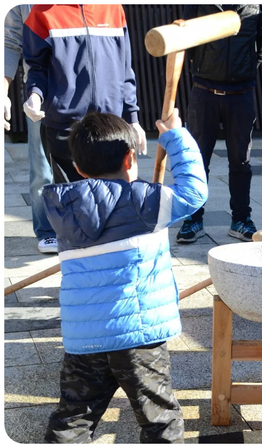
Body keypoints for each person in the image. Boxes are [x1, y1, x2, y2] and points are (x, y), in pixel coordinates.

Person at [41, 109, 207, 443]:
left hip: (84, 340)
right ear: (130, 158)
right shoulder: (143, 202)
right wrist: (175, 136)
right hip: (138, 339)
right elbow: (194, 191)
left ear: (78, 167)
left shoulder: (64, 210)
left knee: (73, 419)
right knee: (160, 421)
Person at [176, 4, 262, 244]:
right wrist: (204, 67)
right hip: (204, 91)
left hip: (241, 94)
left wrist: (242, 71)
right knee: (197, 159)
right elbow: (188, 37)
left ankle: (241, 220)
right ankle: (193, 218)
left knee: (241, 161)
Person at [22, 4, 147, 185]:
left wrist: (132, 119)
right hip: (63, 128)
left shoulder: (114, 8)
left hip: (111, 128)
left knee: (114, 196)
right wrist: (35, 95)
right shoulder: (41, 12)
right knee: (72, 199)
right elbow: (36, 68)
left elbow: (125, 69)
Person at [4, 5, 57, 254]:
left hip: (84, 90)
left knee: (89, 163)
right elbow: (10, 43)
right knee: (42, 168)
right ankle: (47, 231)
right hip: (39, 92)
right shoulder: (22, 5)